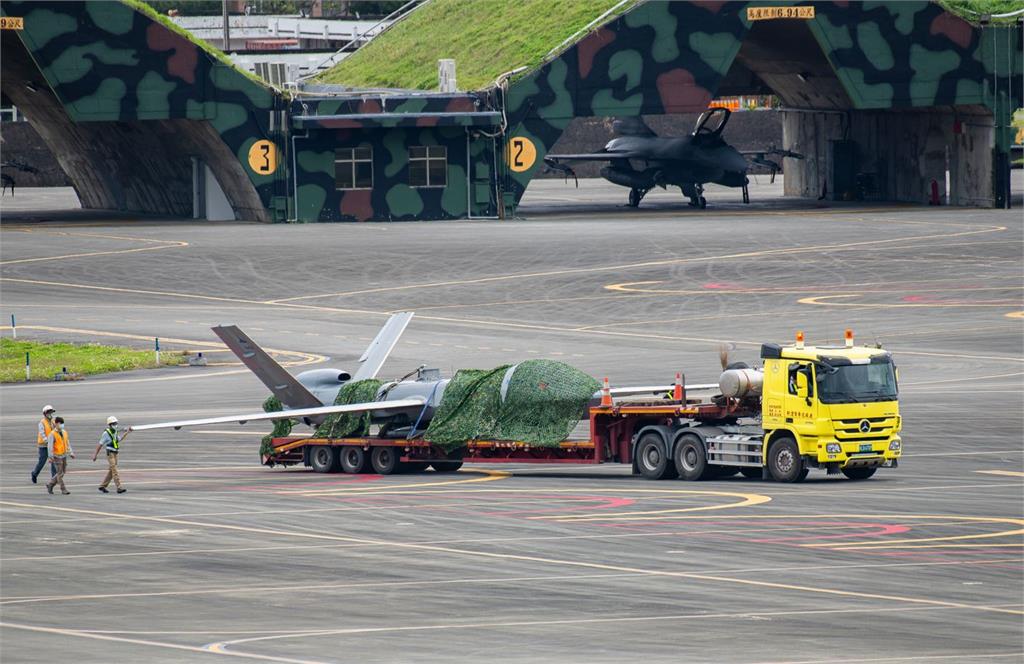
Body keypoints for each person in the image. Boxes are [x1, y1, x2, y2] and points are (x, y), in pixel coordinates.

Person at [93, 416, 127, 494]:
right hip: (110, 454)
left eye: (116, 423)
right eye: (114, 424)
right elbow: (100, 445)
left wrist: (127, 432)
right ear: (110, 424)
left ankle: (102, 486)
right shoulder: (106, 433)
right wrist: (95, 455)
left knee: (112, 471)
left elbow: (119, 439)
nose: (116, 425)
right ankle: (119, 487)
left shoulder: (115, 432)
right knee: (114, 471)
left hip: (115, 453)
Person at [45, 417, 74, 495]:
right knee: (60, 473)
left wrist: (70, 452)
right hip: (57, 456)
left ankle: (50, 484)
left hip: (63, 455)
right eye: (61, 423)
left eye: (62, 423)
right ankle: (63, 489)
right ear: (57, 424)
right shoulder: (52, 434)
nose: (62, 425)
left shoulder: (64, 432)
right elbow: (50, 446)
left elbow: (67, 443)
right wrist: (50, 457)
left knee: (62, 472)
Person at [31, 405, 57, 484]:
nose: (50, 414)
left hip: (52, 445)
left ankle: (54, 478)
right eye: (48, 412)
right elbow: (42, 433)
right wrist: (47, 440)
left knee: (53, 461)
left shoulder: (53, 421)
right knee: (42, 461)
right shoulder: (41, 423)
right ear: (45, 413)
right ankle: (34, 473)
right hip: (43, 445)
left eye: (51, 412)